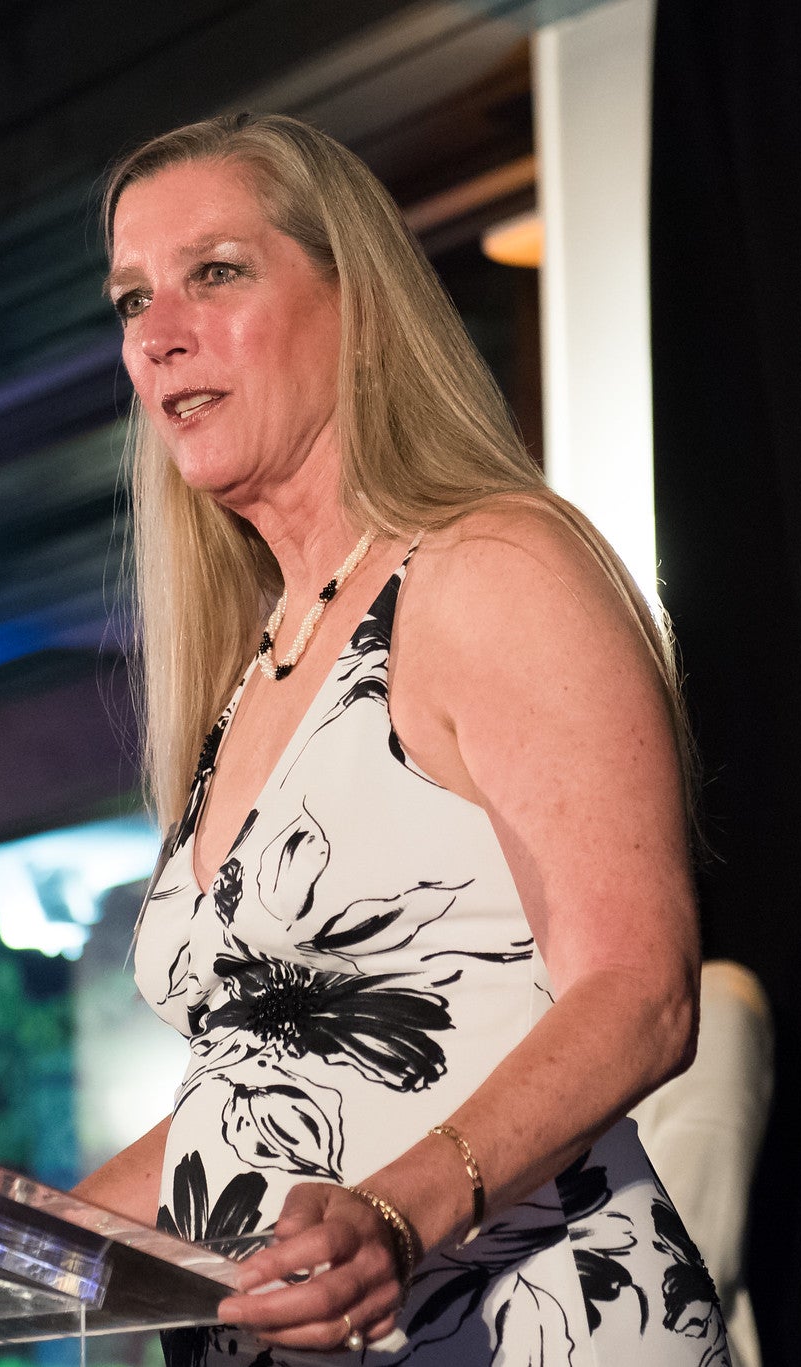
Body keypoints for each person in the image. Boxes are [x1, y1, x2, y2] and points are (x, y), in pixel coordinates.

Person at [70, 113, 730, 1366]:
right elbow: (255, 1101)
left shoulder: (487, 569)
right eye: (130, 298)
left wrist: (394, 1211)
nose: (158, 333)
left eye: (215, 272)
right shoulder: (257, 662)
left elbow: (636, 990)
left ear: (351, 297)